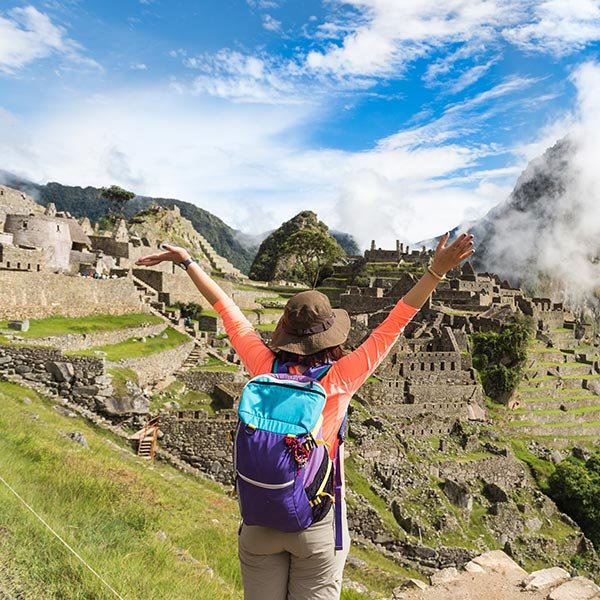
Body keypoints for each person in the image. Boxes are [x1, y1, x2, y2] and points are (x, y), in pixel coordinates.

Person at [135, 231, 474, 600]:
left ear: (285, 332)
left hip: (259, 519)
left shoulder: (263, 367)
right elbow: (396, 321)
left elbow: (226, 309)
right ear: (331, 336)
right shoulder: (343, 376)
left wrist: (187, 261)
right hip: (315, 520)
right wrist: (436, 272)